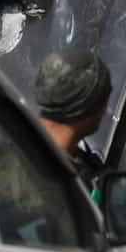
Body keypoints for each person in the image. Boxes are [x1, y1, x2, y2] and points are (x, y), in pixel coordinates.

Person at [33, 47, 112, 182]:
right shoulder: (48, 181)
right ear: (87, 112)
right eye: (104, 101)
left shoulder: (22, 145)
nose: (107, 110)